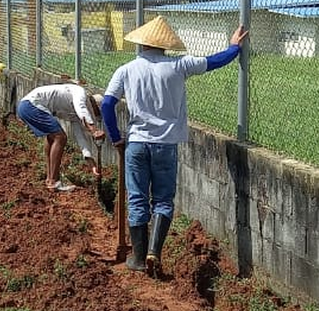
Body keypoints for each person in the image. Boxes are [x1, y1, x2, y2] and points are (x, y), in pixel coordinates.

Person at [100, 14, 248, 275]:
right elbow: (215, 61)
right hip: (166, 144)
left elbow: (107, 104)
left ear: (141, 43)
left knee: (137, 200)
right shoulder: (179, 66)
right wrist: (234, 46)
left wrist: (115, 137)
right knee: (163, 200)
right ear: (165, 45)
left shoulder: (126, 70)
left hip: (136, 144)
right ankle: (154, 251)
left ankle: (136, 258)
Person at [17, 82, 105, 192]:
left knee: (52, 136)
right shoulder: (80, 93)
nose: (93, 114)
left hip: (27, 106)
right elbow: (81, 107)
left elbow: (80, 136)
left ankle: (50, 180)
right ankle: (53, 181)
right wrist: (93, 129)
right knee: (60, 137)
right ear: (93, 103)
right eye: (95, 111)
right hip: (31, 105)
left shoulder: (75, 114)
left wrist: (90, 161)